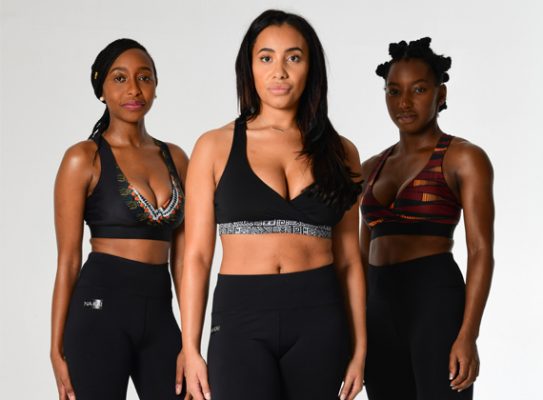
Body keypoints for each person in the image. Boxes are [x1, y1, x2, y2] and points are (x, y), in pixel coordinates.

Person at [181, 9, 366, 400]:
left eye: (293, 58)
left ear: (311, 68)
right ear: (249, 67)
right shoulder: (214, 146)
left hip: (319, 317)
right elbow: (196, 256)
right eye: (266, 58)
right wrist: (190, 347)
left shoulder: (342, 152)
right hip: (240, 319)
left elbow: (350, 260)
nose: (279, 71)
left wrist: (360, 348)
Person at [50, 38, 189, 400]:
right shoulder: (84, 158)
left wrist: (190, 342)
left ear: (155, 86)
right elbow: (68, 260)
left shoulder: (176, 158)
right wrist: (55, 350)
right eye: (120, 78)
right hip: (98, 315)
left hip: (159, 316)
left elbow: (185, 262)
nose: (134, 89)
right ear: (101, 89)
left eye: (144, 77)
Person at [360, 37, 494, 400]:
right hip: (378, 309)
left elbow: (481, 251)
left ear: (441, 93)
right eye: (394, 91)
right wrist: (355, 331)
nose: (404, 102)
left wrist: (468, 335)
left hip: (434, 301)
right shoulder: (370, 168)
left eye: (418, 89)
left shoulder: (463, 158)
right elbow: (359, 256)